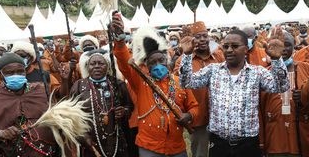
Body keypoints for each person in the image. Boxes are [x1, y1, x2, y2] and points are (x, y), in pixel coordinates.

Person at [179, 27, 289, 157]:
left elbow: (281, 87)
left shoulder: (257, 72)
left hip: (248, 145)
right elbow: (186, 82)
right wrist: (186, 55)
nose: (229, 50)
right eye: (225, 46)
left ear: (246, 49)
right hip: (219, 144)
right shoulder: (213, 71)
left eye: (235, 46)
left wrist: (276, 60)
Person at [112, 14, 199, 157]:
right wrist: (120, 40)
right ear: (146, 66)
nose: (158, 65)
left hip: (176, 146)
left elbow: (194, 106)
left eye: (161, 60)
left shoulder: (179, 82)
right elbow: (124, 61)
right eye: (152, 62)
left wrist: (188, 115)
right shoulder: (141, 81)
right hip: (149, 146)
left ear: (167, 60)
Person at [0, 53, 59, 156]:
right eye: (10, 72)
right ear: (1, 73)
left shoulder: (39, 91)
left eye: (20, 71)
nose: (16, 75)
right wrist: (0, 133)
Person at [173, 21, 225, 157]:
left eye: (205, 36)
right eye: (197, 36)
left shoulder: (219, 56)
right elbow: (178, 86)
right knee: (200, 153)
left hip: (219, 115)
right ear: (191, 39)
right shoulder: (182, 60)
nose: (202, 39)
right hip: (198, 117)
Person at [70, 48, 134, 157]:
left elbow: (129, 106)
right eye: (92, 64)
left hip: (117, 141)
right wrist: (83, 137)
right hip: (91, 143)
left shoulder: (118, 84)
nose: (97, 66)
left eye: (101, 63)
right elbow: (71, 115)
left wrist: (124, 111)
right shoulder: (79, 86)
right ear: (87, 67)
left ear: (108, 66)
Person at [259, 32, 309, 157]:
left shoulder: (306, 69)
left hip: (302, 136)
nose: (283, 49)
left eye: (287, 45)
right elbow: (258, 108)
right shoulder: (264, 73)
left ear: (294, 46)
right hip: (274, 137)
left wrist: (304, 97)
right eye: (278, 45)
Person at [0, 41, 68, 98]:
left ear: (30, 58)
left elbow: (60, 94)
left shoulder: (44, 75)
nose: (19, 59)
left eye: (22, 56)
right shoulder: (4, 76)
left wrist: (64, 81)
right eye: (16, 56)